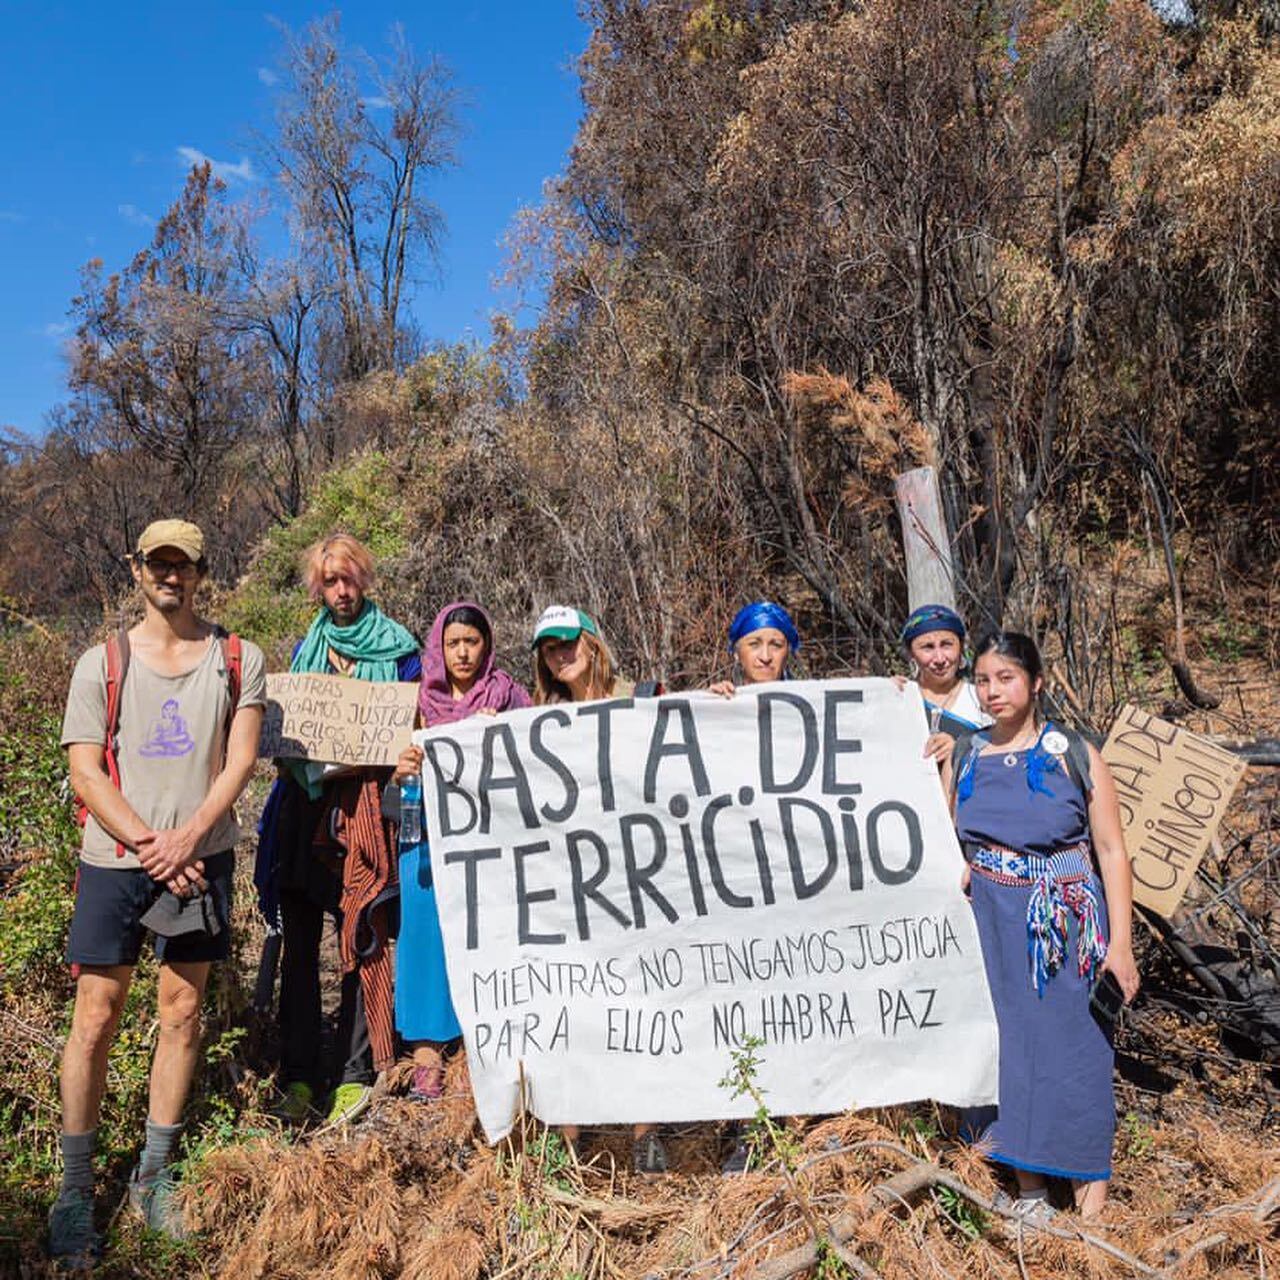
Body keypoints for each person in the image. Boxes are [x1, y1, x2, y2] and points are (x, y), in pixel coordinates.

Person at [52, 520, 267, 1259]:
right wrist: (153, 845)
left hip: (200, 859)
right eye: (158, 562)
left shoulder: (238, 658)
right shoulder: (100, 663)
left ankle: (155, 1177)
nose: (170, 575)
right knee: (96, 1015)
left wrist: (187, 840)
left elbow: (238, 763)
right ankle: (75, 1189)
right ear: (136, 568)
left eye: (184, 564)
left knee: (181, 1011)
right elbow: (87, 771)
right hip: (117, 862)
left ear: (203, 571)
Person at [943, 631, 1139, 1221]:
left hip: (1065, 922)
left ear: (1036, 683)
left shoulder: (1074, 754)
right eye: (982, 680)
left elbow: (1111, 850)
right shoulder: (966, 753)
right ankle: (1029, 1192)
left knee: (1077, 1050)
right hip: (989, 924)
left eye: (1005, 678)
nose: (992, 691)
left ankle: (1092, 1209)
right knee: (1005, 1050)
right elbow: (946, 838)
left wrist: (1122, 946)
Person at [261, 534, 421, 1127]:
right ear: (317, 587)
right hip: (305, 812)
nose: (341, 590)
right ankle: (300, 1073)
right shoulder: (307, 650)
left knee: (361, 937)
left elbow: (414, 723)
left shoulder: (401, 650)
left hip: (368, 811)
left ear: (366, 580)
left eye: (350, 578)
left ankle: (356, 1072)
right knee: (300, 947)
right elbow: (284, 736)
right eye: (330, 581)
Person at [530, 604, 667, 1173]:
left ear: (591, 641)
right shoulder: (536, 719)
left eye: (568, 642)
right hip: (567, 880)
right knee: (569, 1002)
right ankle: (569, 1141)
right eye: (549, 647)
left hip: (637, 877)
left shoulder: (641, 696)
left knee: (642, 1000)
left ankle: (646, 1135)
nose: (560, 654)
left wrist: (719, 702)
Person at [390, 602, 531, 1099]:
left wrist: (502, 737)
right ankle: (427, 1062)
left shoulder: (509, 696)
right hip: (425, 842)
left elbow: (538, 761)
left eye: (472, 642)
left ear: (487, 646)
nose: (463, 652)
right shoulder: (416, 702)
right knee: (425, 943)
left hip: (490, 849)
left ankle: (480, 1060)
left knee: (485, 943)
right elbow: (386, 779)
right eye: (454, 643)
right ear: (439, 648)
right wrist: (402, 770)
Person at [899, 604, 991, 743]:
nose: (940, 659)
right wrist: (886, 694)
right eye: (927, 647)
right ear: (911, 654)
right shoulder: (902, 698)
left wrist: (958, 752)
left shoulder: (981, 699)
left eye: (946, 645)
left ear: (961, 647)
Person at [708, 600, 800, 695]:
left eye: (776, 645)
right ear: (736, 653)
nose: (765, 657)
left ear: (787, 653)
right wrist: (714, 703)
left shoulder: (809, 699)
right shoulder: (724, 701)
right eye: (754, 645)